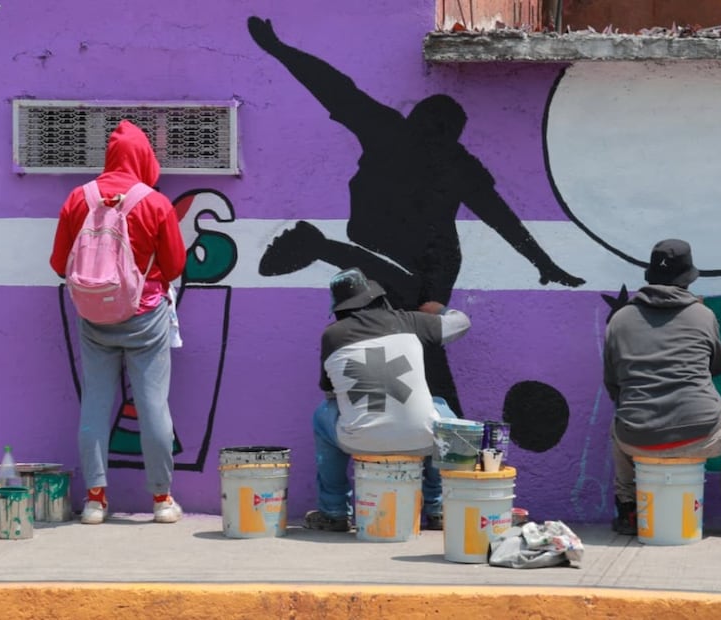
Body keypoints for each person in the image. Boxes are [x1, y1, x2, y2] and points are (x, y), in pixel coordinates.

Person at [247, 15, 584, 417]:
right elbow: (334, 88)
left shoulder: (445, 157)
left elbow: (501, 218)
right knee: (409, 344)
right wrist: (280, 50)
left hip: (427, 265)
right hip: (382, 249)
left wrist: (545, 263)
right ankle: (433, 431)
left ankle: (435, 432)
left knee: (422, 346)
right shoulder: (393, 132)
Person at [49, 120, 188, 525]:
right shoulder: (155, 203)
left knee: (94, 403)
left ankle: (95, 500)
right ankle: (162, 500)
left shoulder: (79, 198)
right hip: (145, 316)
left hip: (93, 318)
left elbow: (59, 264)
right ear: (145, 157)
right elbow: (175, 265)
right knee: (152, 406)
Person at [604, 239, 721, 538]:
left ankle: (629, 513)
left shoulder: (619, 319)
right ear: (687, 278)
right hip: (702, 433)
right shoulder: (702, 315)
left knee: (620, 425)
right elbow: (719, 366)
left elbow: (613, 383)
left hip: (637, 438)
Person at [306, 267, 471, 532]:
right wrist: (438, 310)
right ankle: (438, 507)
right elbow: (461, 322)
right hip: (422, 441)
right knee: (439, 409)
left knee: (323, 414)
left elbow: (331, 390)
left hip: (359, 442)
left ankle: (334, 511)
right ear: (377, 297)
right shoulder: (410, 322)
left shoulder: (332, 335)